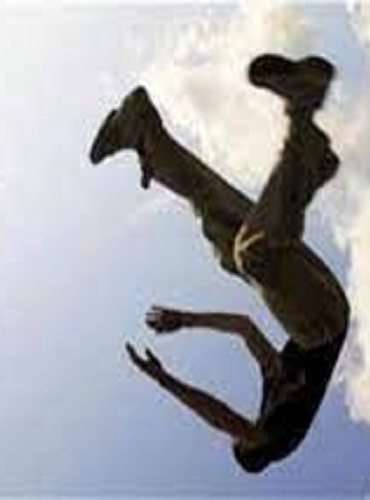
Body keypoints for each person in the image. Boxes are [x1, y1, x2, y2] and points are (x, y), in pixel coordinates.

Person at [89, 54, 350, 473]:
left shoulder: (274, 388)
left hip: (312, 305)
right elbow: (220, 415)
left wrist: (186, 320)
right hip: (324, 321)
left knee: (222, 234)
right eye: (242, 435)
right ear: (252, 444)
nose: (240, 428)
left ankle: (141, 130)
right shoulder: (276, 439)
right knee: (252, 256)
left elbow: (243, 328)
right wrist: (164, 379)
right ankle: (305, 136)